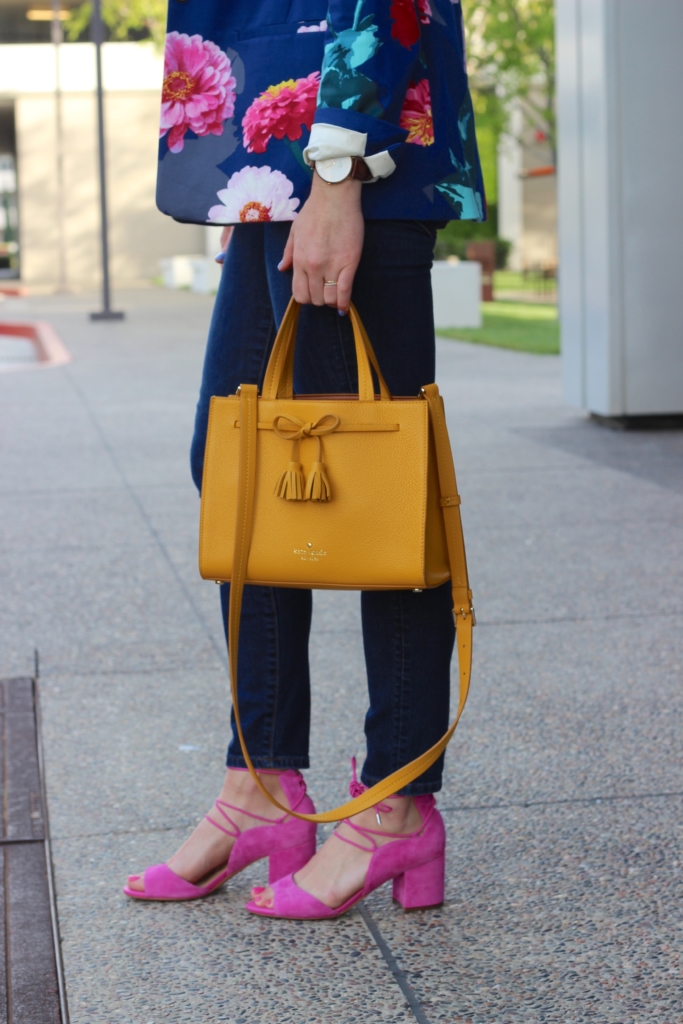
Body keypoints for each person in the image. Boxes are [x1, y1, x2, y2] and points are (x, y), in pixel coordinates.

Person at [124, 0, 485, 919]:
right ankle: (262, 785)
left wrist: (336, 176)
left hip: (349, 163)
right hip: (293, 166)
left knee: (382, 494)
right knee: (239, 474)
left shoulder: (340, 170)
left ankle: (396, 802)